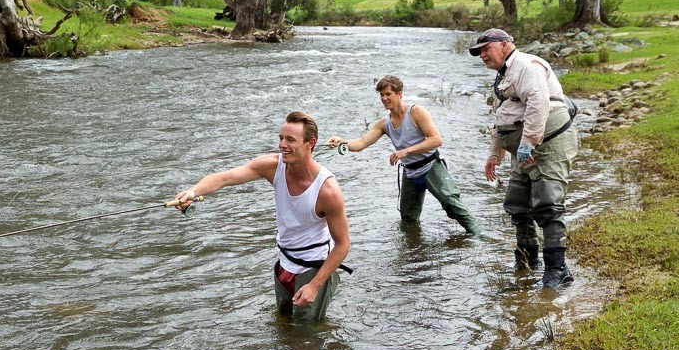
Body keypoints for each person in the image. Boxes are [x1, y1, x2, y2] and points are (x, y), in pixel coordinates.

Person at [174, 111, 351, 322]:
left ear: (310, 143)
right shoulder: (272, 166)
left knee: (307, 337)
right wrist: (193, 192)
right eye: (281, 138)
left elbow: (343, 245)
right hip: (284, 264)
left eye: (290, 140)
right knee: (283, 325)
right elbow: (224, 178)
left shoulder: (327, 190)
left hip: (313, 269)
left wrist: (314, 285)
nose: (282, 145)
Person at [470, 28, 579, 287]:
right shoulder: (503, 76)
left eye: (486, 49)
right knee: (518, 206)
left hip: (548, 144)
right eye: (479, 52)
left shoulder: (527, 67)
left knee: (548, 205)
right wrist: (493, 156)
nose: (482, 55)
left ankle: (558, 270)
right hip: (523, 149)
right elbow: (501, 119)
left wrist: (527, 145)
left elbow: (539, 104)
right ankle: (527, 261)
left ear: (505, 45)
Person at [325, 76, 480, 235]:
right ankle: (413, 249)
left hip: (431, 166)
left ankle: (479, 237)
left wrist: (406, 151)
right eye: (381, 95)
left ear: (399, 94)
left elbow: (436, 140)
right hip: (410, 172)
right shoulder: (383, 123)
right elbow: (361, 143)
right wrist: (341, 141)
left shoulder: (416, 112)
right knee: (408, 218)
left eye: (388, 94)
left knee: (452, 204)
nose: (384, 99)